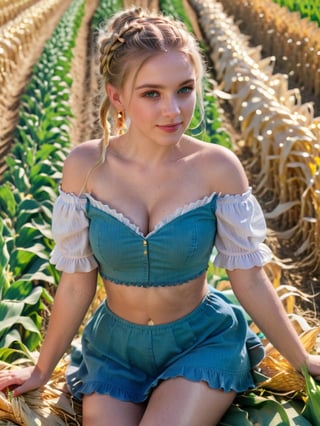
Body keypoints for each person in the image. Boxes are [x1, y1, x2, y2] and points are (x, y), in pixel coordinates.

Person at [0, 7, 320, 426]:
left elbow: (250, 277)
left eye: (184, 90)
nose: (173, 109)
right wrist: (42, 370)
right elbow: (77, 283)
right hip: (115, 351)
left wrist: (302, 360)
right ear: (117, 96)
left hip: (200, 342)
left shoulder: (217, 168)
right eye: (152, 93)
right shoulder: (85, 167)